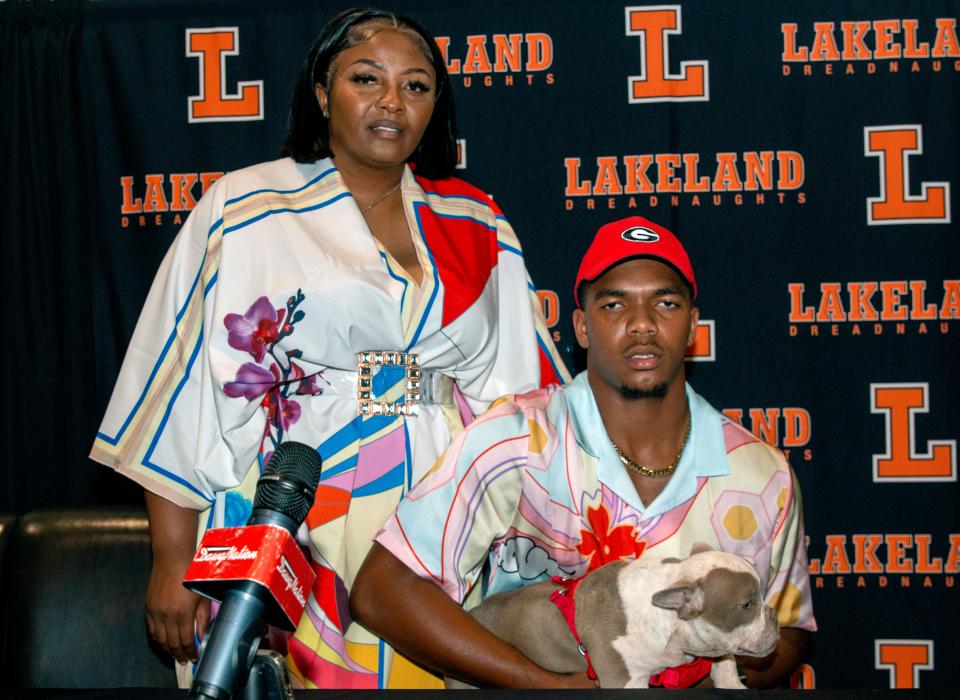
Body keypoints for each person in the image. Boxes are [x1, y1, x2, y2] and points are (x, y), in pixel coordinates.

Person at [90, 7, 569, 690]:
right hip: (292, 508)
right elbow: (180, 386)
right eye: (366, 78)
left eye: (416, 86)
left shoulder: (476, 218)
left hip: (441, 523)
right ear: (322, 91)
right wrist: (171, 557)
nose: (391, 103)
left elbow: (529, 400)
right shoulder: (247, 207)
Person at [350, 215, 816, 689]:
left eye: (666, 302)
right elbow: (383, 591)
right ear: (583, 326)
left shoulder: (761, 473)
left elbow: (791, 629)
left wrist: (699, 682)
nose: (642, 324)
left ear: (693, 324)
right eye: (614, 304)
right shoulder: (515, 440)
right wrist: (546, 687)